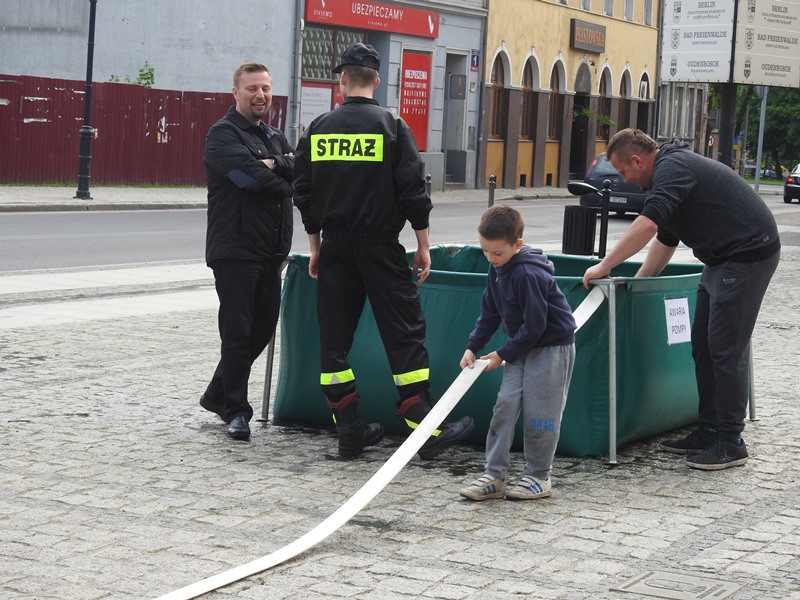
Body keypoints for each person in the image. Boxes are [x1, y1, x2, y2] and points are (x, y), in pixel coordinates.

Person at [293, 42, 474, 459]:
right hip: (380, 248)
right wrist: (423, 244)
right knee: (403, 333)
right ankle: (424, 429)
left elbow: (303, 192)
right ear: (376, 81)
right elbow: (412, 191)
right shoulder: (392, 126)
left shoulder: (318, 128)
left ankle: (349, 431)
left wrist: (316, 246)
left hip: (335, 247)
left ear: (342, 80)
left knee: (334, 340)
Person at [582, 128, 780, 470]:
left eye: (623, 171)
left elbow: (646, 226)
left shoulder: (673, 168)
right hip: (720, 260)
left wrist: (605, 265)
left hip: (748, 255)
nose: (624, 179)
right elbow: (665, 240)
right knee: (702, 345)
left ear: (637, 160)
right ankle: (709, 430)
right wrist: (638, 285)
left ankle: (731, 442)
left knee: (725, 349)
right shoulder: (664, 178)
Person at [200, 62, 295, 440]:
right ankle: (236, 410)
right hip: (235, 250)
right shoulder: (222, 135)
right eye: (252, 88)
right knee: (237, 332)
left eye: (266, 88)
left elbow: (302, 170)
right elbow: (252, 181)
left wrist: (277, 164)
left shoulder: (275, 137)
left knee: (262, 328)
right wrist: (284, 177)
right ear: (236, 92)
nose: (260, 95)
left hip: (270, 252)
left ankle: (216, 393)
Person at [458, 205, 576, 501]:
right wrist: (473, 346)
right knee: (505, 406)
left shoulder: (527, 274)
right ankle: (494, 476)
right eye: (485, 251)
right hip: (520, 346)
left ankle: (539, 476)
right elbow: (490, 312)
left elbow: (536, 326)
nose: (490, 258)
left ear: (517, 244)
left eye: (497, 253)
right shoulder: (496, 267)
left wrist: (501, 354)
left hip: (550, 348)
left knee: (541, 415)